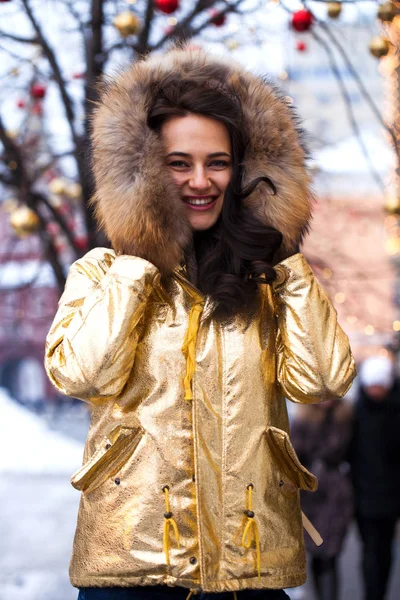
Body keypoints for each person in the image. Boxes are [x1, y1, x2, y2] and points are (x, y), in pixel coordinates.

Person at [44, 46, 356, 600]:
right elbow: (81, 375)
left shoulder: (269, 282)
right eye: (178, 162)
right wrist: (141, 254)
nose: (200, 180)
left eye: (218, 161)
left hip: (251, 560)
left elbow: (323, 381)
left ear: (244, 169)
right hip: (132, 563)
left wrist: (284, 255)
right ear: (144, 171)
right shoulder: (105, 272)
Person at [291, 399, 354, 600]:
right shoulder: (302, 420)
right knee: (317, 555)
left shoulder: (345, 417)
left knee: (330, 555)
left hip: (336, 496)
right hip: (310, 497)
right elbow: (294, 455)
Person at [350, 354, 400, 600]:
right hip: (364, 495)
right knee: (370, 551)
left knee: (385, 550)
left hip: (390, 497)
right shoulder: (356, 413)